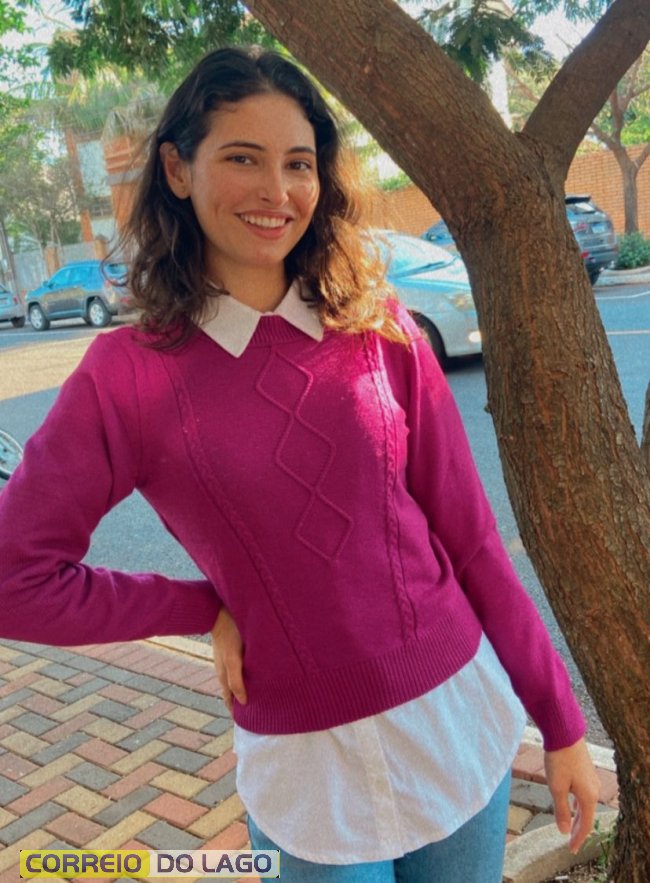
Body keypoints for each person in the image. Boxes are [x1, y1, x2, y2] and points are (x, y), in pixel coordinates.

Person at [0, 46, 599, 882]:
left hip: (458, 723)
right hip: (306, 775)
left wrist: (562, 723)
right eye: (242, 158)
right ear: (176, 169)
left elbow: (470, 541)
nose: (276, 192)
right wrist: (204, 606)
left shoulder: (379, 325)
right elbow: (15, 579)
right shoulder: (126, 376)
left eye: (298, 164)